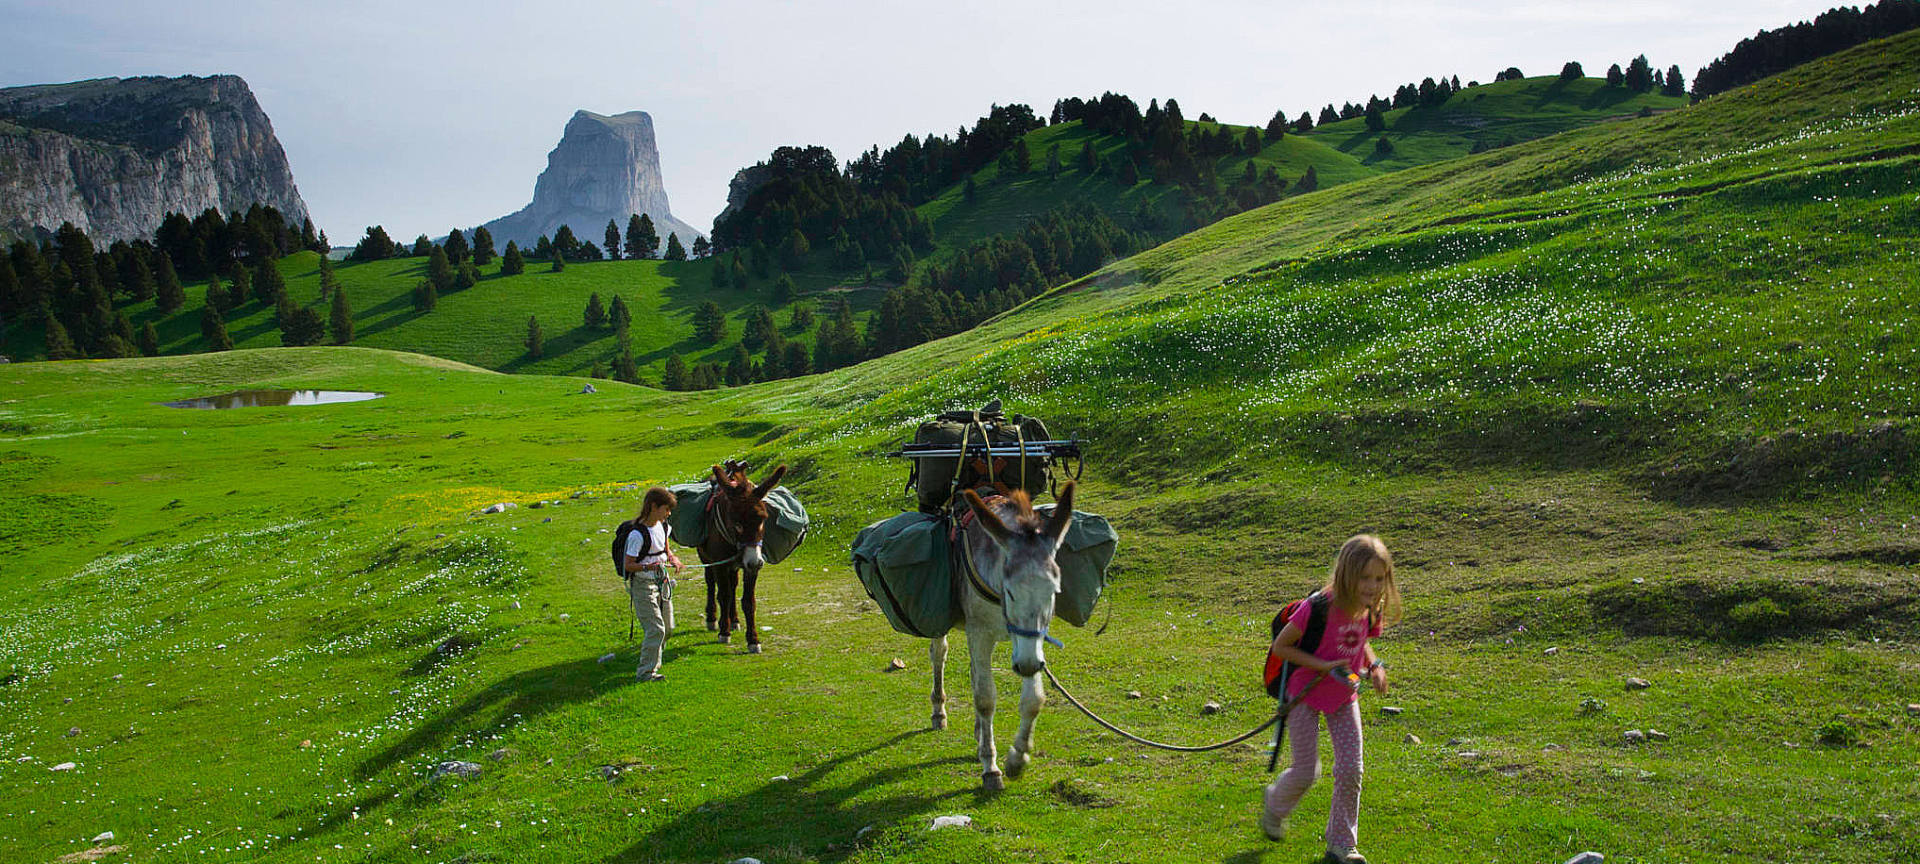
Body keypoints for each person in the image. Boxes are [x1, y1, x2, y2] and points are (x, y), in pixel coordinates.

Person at [1261, 534, 1402, 864]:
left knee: (1352, 769)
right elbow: (1282, 648)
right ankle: (1275, 805)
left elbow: (1361, 642)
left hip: (1344, 696)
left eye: (1379, 579)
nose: (1372, 586)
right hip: (1303, 695)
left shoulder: (1370, 610)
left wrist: (1374, 665)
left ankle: (1342, 846)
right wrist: (1323, 666)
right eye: (1365, 577)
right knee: (1307, 771)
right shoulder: (1318, 607)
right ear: (1346, 575)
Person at [623, 486, 684, 682]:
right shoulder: (637, 535)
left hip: (662, 582)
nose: (669, 513)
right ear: (653, 507)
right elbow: (629, 565)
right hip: (643, 586)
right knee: (656, 629)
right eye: (666, 509)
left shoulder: (663, 527)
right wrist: (649, 567)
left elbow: (665, 550)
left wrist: (673, 559)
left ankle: (653, 661)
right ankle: (646, 673)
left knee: (668, 627)